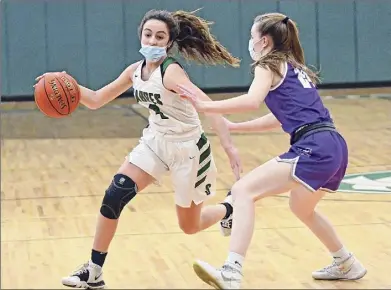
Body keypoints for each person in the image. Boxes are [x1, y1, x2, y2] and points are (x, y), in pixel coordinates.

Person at [35, 9, 244, 289]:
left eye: (160, 37)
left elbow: (206, 105)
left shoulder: (171, 73)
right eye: (148, 35)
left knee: (190, 226)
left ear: (169, 43)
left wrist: (229, 146)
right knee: (114, 194)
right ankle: (94, 271)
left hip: (188, 150)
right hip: (155, 142)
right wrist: (66, 83)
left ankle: (229, 208)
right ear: (140, 35)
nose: (153, 41)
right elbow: (96, 99)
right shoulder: (135, 71)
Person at [177, 12, 367, 290]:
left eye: (252, 37)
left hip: (315, 146)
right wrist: (235, 127)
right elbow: (280, 118)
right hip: (334, 145)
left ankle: (231, 271)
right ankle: (347, 262)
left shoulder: (268, 64)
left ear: (264, 41)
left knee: (243, 191)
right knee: (301, 207)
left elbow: (253, 100)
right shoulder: (294, 67)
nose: (250, 42)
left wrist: (207, 106)